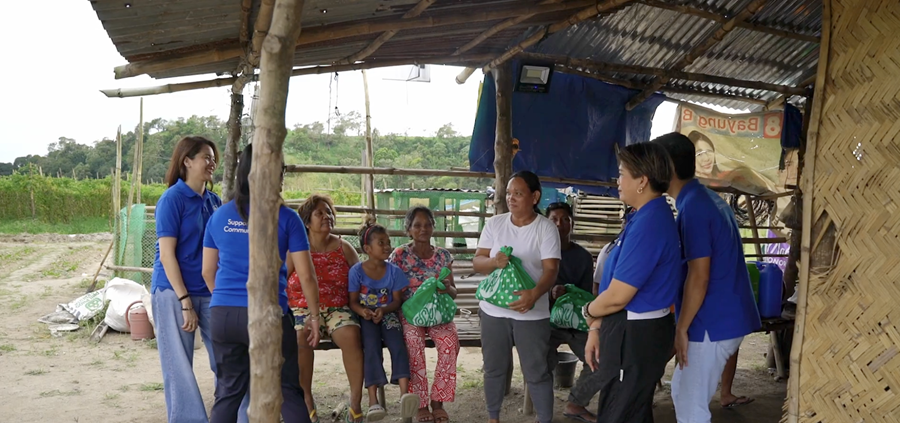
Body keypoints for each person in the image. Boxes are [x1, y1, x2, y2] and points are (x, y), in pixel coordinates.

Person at [201, 144, 319, 423]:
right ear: (277, 173)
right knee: (288, 389)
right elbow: (306, 276)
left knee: (227, 392)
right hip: (269, 314)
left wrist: (229, 304)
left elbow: (207, 271)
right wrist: (314, 316)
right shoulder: (287, 218)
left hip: (223, 315)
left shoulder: (219, 215)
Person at [654, 132, 761, 423]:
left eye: (653, 164)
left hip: (712, 321)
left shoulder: (695, 209)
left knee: (690, 405)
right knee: (683, 391)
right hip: (723, 315)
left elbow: (699, 277)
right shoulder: (704, 199)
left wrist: (681, 328)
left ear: (668, 168)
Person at [582, 142, 680, 423]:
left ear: (642, 181)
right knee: (624, 408)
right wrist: (597, 327)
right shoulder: (643, 217)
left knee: (621, 413)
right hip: (629, 328)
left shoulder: (651, 223)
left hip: (637, 332)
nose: (617, 181)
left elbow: (618, 295)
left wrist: (589, 313)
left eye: (622, 173)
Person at [473, 170, 560, 423]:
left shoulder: (545, 229)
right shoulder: (495, 224)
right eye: (509, 193)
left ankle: (544, 419)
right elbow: (478, 262)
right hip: (494, 312)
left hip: (531, 314)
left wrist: (533, 294)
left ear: (534, 197)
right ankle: (493, 417)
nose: (511, 198)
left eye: (518, 193)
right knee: (494, 369)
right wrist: (493, 261)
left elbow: (551, 270)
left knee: (537, 372)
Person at [151, 136, 222, 423]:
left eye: (213, 157)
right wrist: (184, 301)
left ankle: (231, 414)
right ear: (187, 161)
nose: (212, 162)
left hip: (209, 290)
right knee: (178, 366)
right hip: (172, 291)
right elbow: (167, 255)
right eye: (206, 156)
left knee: (227, 357)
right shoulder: (172, 199)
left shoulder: (215, 201)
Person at [286, 194, 365, 423]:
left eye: (329, 212)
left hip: (336, 308)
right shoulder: (297, 248)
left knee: (350, 334)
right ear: (307, 221)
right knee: (300, 335)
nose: (327, 216)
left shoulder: (345, 248)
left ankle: (355, 404)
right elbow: (281, 279)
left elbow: (362, 279)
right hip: (301, 308)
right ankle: (307, 400)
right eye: (320, 213)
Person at [390, 206, 460, 423]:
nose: (423, 229)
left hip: (438, 312)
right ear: (408, 229)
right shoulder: (400, 255)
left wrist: (446, 288)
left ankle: (438, 401)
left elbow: (454, 292)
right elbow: (393, 291)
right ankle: (420, 404)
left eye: (428, 224)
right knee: (412, 342)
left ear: (434, 227)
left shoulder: (442, 256)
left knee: (450, 342)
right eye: (417, 225)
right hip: (411, 313)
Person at [348, 219, 419, 422]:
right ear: (367, 248)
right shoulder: (357, 272)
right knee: (370, 347)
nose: (387, 246)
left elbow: (397, 301)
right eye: (381, 243)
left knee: (398, 344)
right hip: (366, 318)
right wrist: (363, 312)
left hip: (388, 314)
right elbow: (353, 302)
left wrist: (383, 309)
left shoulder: (394, 271)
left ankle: (405, 396)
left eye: (388, 242)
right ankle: (373, 402)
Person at [545, 202, 600, 423]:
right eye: (554, 219)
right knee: (541, 362)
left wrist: (570, 294)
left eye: (565, 219)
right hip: (546, 322)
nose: (560, 224)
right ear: (546, 223)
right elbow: (527, 290)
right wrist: (550, 293)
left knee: (600, 360)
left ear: (572, 223)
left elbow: (587, 296)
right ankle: (543, 409)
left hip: (577, 323)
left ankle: (576, 404)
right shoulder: (538, 254)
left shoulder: (583, 257)